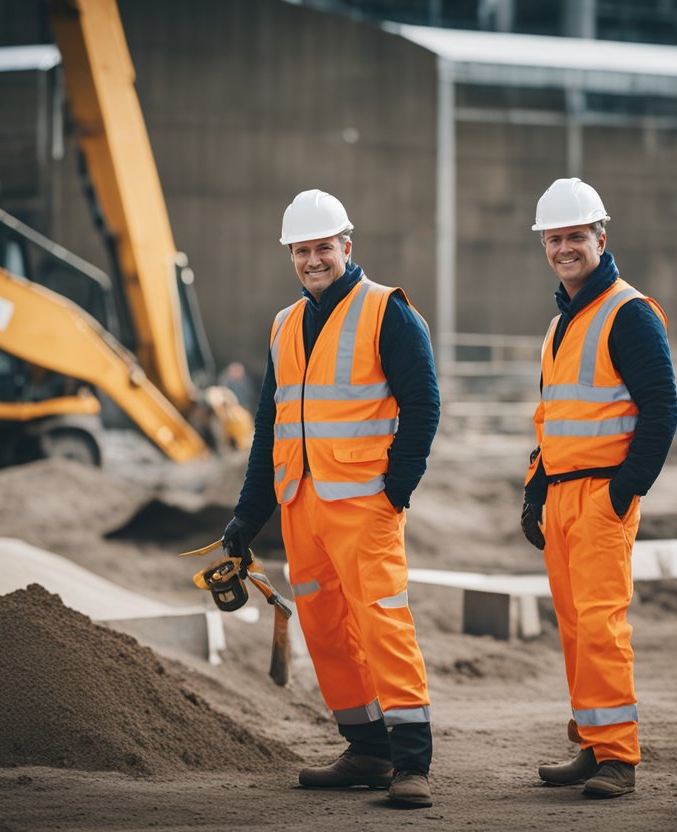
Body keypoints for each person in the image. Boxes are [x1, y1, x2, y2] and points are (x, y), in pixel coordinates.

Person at [222, 189, 440, 808]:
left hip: (365, 504)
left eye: (323, 248)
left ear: (347, 245)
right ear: (291, 254)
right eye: (302, 251)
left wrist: (396, 489)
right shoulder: (285, 324)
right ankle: (367, 748)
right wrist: (246, 515)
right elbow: (271, 427)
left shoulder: (387, 312)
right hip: (301, 507)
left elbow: (424, 406)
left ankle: (412, 763)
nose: (313, 259)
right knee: (325, 629)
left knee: (383, 624)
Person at [521, 178, 677, 799]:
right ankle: (591, 742)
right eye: (555, 238)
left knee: (602, 624)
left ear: (600, 238)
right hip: (562, 493)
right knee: (575, 627)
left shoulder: (628, 313)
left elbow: (662, 411)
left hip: (601, 496)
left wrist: (623, 493)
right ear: (544, 244)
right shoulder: (561, 323)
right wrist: (535, 491)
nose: (565, 247)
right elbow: (551, 419)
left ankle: (618, 755)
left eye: (576, 237)